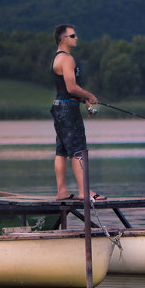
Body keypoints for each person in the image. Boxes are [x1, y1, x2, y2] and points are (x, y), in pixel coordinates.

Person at [51, 24, 99, 201]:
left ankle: (62, 191)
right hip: (68, 110)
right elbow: (71, 87)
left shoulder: (57, 58)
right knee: (78, 150)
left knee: (61, 151)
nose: (76, 38)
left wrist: (83, 100)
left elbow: (65, 89)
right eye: (73, 36)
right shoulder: (67, 59)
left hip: (59, 106)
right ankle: (84, 192)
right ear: (63, 39)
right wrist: (89, 95)